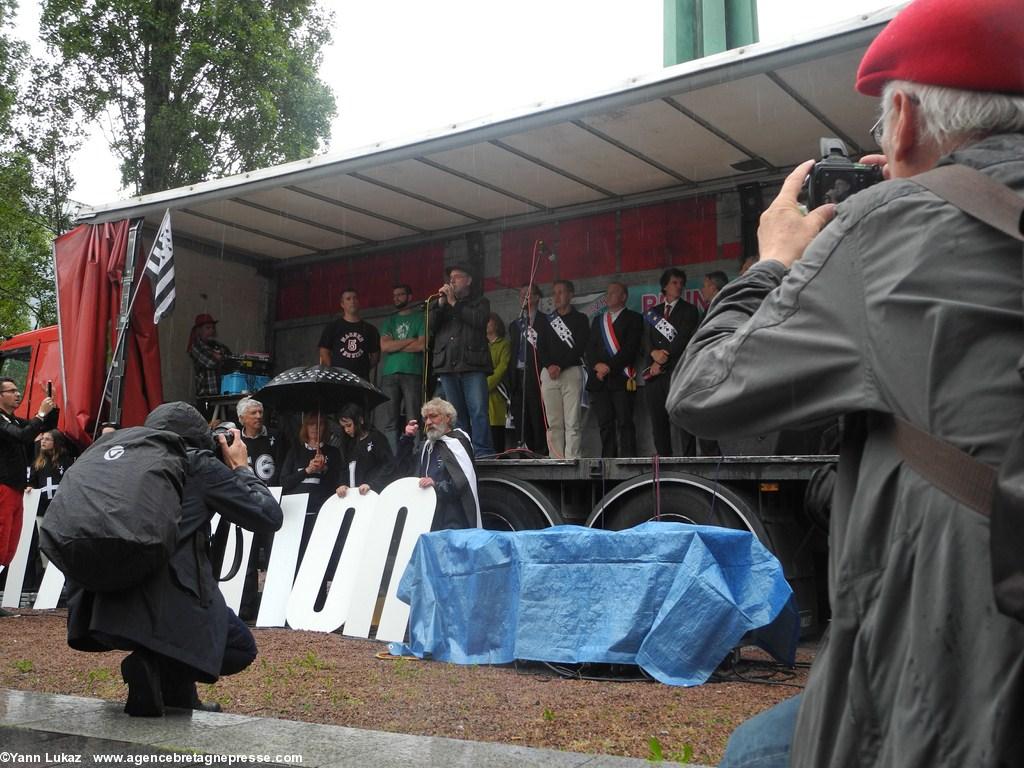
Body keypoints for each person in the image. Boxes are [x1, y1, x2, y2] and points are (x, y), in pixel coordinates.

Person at [668, 1, 1024, 764]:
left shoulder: (887, 227)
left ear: (900, 119)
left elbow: (702, 392)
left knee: (753, 754)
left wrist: (775, 264)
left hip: (954, 679)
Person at [66, 402, 282, 716]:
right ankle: (152, 664)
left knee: (177, 616)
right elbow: (267, 515)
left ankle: (174, 693)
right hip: (166, 602)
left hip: (100, 606)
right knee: (239, 647)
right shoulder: (197, 464)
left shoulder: (121, 458)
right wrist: (240, 468)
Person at [0, 378, 57, 617]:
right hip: (2, 486)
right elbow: (23, 437)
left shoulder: (12, 419)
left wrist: (51, 406)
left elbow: (45, 428)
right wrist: (40, 414)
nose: (17, 393)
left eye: (17, 389)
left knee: (9, 545)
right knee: (2, 538)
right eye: (11, 390)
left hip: (15, 488)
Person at [427, 265, 492, 457]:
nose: (452, 281)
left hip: (472, 364)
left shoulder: (480, 302)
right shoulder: (441, 305)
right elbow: (430, 326)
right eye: (450, 277)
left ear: (469, 280)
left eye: (457, 277)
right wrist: (440, 304)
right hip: (447, 365)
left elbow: (479, 321)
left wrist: (455, 303)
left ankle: (482, 451)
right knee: (456, 415)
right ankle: (462, 449)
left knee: (478, 410)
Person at [396, 398, 480, 531]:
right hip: (427, 517)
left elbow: (462, 483)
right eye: (425, 418)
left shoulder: (457, 442)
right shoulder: (426, 446)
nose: (428, 422)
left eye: (433, 416)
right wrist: (407, 438)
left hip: (452, 521)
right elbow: (403, 470)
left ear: (448, 418)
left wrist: (435, 485)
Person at [235, 397, 285, 622]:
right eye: (253, 413)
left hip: (273, 503)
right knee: (248, 556)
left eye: (260, 412)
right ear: (241, 418)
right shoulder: (235, 441)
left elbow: (284, 465)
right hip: (246, 504)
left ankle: (275, 604)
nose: (258, 416)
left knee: (276, 555)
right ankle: (247, 606)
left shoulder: (276, 437)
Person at [643, 267, 699, 456]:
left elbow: (682, 339)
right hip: (654, 375)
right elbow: (645, 339)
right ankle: (664, 460)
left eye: (681, 283)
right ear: (665, 286)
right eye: (674, 282)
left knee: (683, 418)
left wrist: (661, 360)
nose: (679, 286)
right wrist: (653, 354)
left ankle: (689, 461)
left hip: (676, 371)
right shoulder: (653, 312)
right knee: (658, 420)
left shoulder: (689, 310)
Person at [584, 282, 642, 458]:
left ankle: (628, 459)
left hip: (621, 378)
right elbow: (590, 348)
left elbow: (630, 349)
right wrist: (597, 366)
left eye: (612, 293)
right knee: (605, 423)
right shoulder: (598, 320)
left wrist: (608, 367)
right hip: (600, 380)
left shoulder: (634, 318)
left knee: (625, 422)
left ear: (623, 297)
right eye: (607, 293)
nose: (607, 297)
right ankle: (608, 459)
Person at [536, 280, 590, 459]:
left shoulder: (580, 319)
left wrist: (560, 365)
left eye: (561, 292)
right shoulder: (545, 321)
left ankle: (572, 458)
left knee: (572, 421)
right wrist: (550, 365)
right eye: (554, 292)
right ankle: (556, 458)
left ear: (570, 295)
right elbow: (540, 346)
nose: (557, 296)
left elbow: (579, 347)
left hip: (571, 371)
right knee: (554, 422)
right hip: (549, 373)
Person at [280, 412, 342, 563]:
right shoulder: (295, 451)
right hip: (297, 513)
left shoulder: (333, 452)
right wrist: (307, 471)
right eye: (311, 424)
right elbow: (284, 482)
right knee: (296, 558)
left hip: (320, 512)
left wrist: (325, 469)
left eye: (319, 424)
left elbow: (338, 483)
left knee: (317, 558)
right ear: (305, 428)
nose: (315, 428)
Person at [24, 430, 73, 590]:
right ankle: (47, 581)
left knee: (61, 542)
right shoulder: (38, 462)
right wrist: (29, 488)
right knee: (43, 544)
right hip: (42, 509)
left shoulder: (66, 461)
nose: (43, 442)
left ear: (56, 442)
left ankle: (65, 579)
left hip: (60, 510)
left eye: (47, 439)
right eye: (42, 439)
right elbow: (32, 482)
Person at [378, 284, 426, 450]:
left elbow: (422, 345)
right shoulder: (390, 319)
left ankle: (414, 455)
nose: (396, 298)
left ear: (410, 297)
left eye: (400, 294)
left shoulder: (420, 316)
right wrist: (410, 340)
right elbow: (384, 347)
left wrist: (395, 345)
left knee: (413, 418)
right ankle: (394, 457)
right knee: (390, 420)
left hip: (413, 372)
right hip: (389, 373)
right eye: (395, 295)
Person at [508, 284, 548, 455]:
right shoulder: (515, 324)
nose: (524, 297)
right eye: (521, 294)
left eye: (528, 294)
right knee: (520, 416)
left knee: (537, 414)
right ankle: (524, 450)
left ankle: (540, 450)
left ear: (538, 297)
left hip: (536, 374)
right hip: (518, 374)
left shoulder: (546, 321)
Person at [317, 288, 381, 382]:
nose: (352, 301)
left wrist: (363, 369)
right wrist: (334, 371)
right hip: (338, 380)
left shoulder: (370, 329)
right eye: (348, 299)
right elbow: (324, 352)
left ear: (359, 302)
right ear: (342, 304)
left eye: (355, 298)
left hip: (361, 380)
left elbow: (375, 356)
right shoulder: (333, 327)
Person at [334, 403, 394, 497]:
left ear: (360, 420)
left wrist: (372, 485)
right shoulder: (347, 443)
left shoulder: (376, 438)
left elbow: (389, 464)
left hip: (372, 494)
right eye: (343, 427)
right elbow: (344, 468)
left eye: (349, 425)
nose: (346, 430)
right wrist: (342, 484)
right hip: (352, 496)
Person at [187, 314, 231, 419]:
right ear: (199, 330)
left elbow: (231, 361)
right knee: (207, 425)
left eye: (212, 328)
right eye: (208, 328)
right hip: (206, 396)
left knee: (223, 425)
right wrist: (219, 357)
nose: (211, 331)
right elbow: (211, 363)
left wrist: (219, 357)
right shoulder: (196, 347)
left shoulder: (218, 346)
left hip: (221, 395)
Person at [485, 313, 512, 453]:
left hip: (497, 392)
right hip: (482, 395)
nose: (486, 323)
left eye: (489, 320)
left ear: (496, 324)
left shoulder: (504, 344)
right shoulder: (482, 345)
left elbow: (502, 368)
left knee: (497, 432)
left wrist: (486, 384)